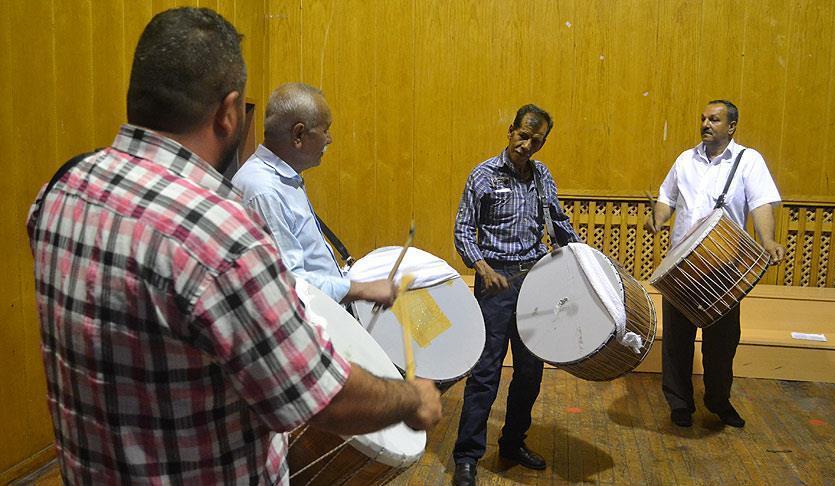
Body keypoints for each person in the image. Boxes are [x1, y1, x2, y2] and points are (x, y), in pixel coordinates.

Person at [27, 8, 440, 484]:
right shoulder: (223, 234)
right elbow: (319, 393)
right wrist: (410, 398)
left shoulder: (61, 189)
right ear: (228, 113)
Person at [451, 104, 579, 486]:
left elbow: (558, 222)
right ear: (510, 130)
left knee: (530, 372)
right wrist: (482, 268)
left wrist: (582, 260)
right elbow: (463, 230)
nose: (526, 145)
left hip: (535, 282)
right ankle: (467, 457)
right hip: (495, 283)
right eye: (522, 136)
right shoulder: (484, 175)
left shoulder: (542, 177)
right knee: (485, 374)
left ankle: (512, 442)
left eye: (536, 140)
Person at [645, 99, 784, 429]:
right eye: (704, 119)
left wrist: (768, 240)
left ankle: (718, 400)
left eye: (715, 120)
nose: (706, 124)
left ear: (731, 126)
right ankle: (680, 403)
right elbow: (667, 197)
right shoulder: (685, 160)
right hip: (682, 267)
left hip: (724, 267)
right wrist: (658, 218)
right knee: (677, 340)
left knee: (721, 343)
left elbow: (761, 203)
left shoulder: (748, 160)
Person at [232, 83, 396, 308]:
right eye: (325, 130)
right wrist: (361, 289)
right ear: (298, 134)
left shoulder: (283, 180)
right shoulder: (263, 189)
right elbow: (290, 283)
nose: (329, 139)